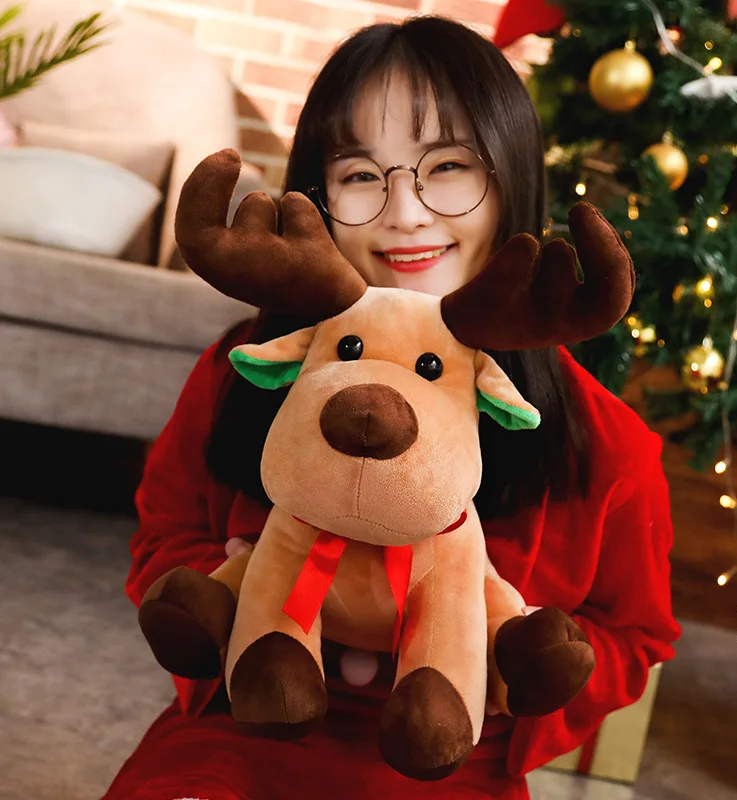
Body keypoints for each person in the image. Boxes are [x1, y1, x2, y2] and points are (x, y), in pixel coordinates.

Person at [101, 14, 681, 800]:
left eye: (449, 167)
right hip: (245, 718)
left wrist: (512, 655)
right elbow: (164, 531)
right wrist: (236, 593)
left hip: (452, 753)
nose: (404, 212)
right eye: (360, 174)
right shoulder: (248, 365)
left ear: (512, 178)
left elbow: (636, 635)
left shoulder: (605, 438)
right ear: (318, 194)